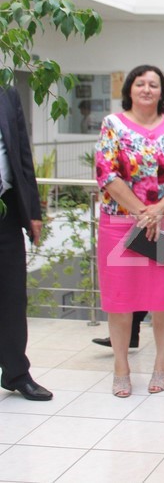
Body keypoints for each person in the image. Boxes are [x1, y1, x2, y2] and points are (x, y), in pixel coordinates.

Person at [94, 65, 164, 397]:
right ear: (129, 90)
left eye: (154, 84)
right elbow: (106, 173)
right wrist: (141, 212)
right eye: (140, 84)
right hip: (120, 224)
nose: (147, 89)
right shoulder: (113, 124)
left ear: (162, 91)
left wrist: (159, 210)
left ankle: (162, 363)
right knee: (120, 300)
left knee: (162, 299)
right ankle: (121, 366)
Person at [0, 86, 53, 401]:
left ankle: (16, 373)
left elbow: (21, 156)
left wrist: (33, 211)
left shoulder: (6, 95)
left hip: (6, 209)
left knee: (12, 296)